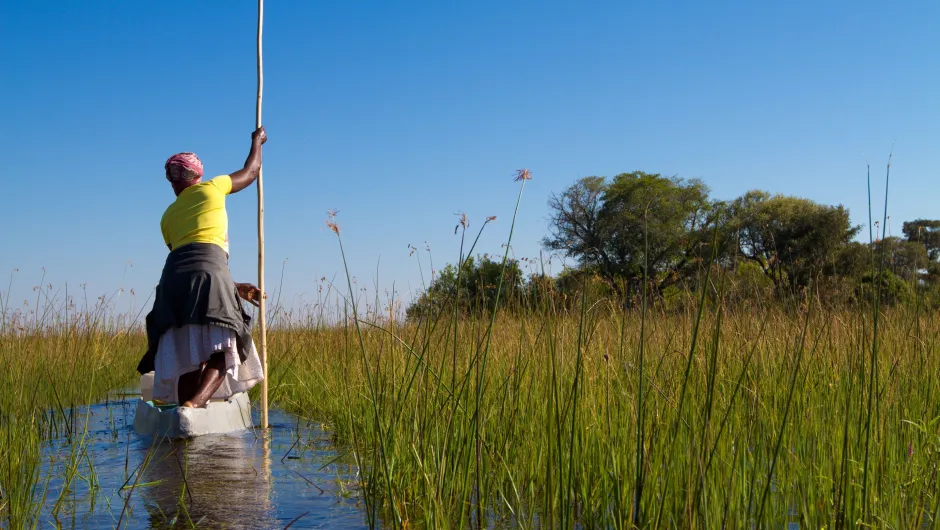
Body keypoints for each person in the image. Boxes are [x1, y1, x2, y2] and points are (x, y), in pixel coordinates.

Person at [136, 127, 268, 409]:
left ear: (172, 182)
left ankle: (183, 408)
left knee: (184, 349)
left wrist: (236, 288)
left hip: (172, 280)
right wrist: (257, 141)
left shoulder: (167, 217)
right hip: (210, 271)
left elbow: (188, 264)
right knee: (225, 343)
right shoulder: (213, 187)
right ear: (198, 175)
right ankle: (194, 404)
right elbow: (252, 171)